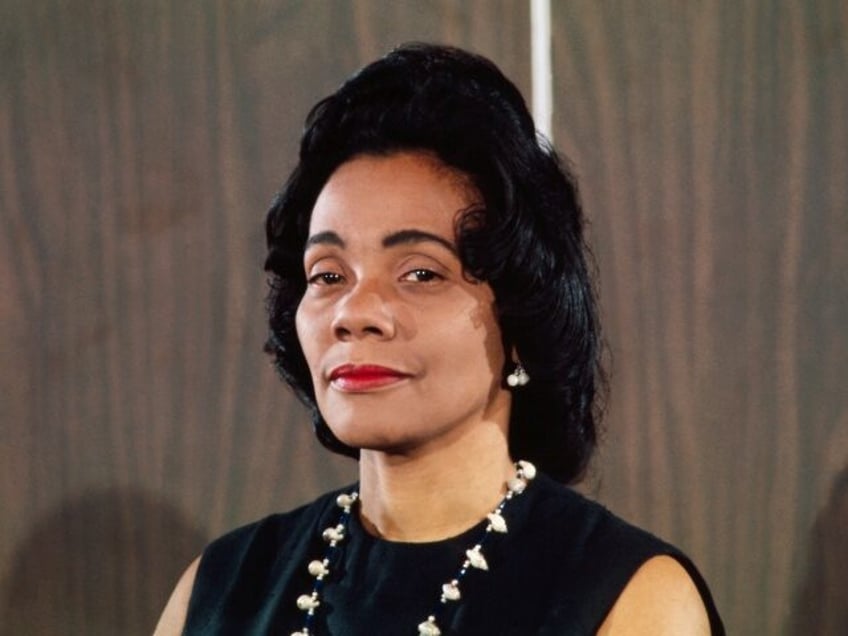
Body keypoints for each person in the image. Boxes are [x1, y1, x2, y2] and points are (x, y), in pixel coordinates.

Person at [155, 43, 724, 635]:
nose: (355, 312)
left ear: (522, 319)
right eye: (328, 275)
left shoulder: (628, 597)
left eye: (420, 273)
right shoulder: (219, 589)